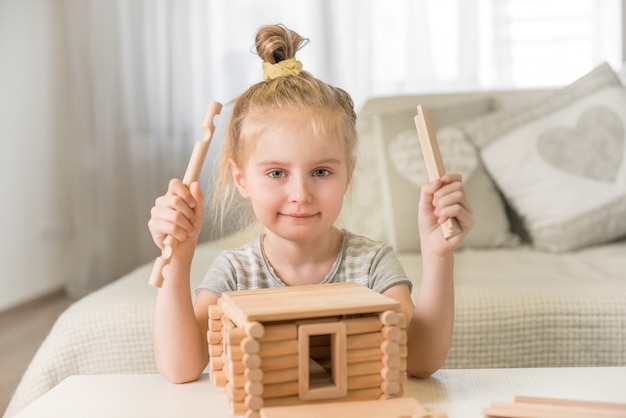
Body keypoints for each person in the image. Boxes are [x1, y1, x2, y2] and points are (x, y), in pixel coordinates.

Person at [148, 24, 474, 384]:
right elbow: (181, 369)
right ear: (242, 179)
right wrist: (177, 262)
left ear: (348, 172)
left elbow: (419, 361)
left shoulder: (371, 266)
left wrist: (438, 256)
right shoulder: (235, 273)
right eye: (276, 173)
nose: (301, 194)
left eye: (320, 171)